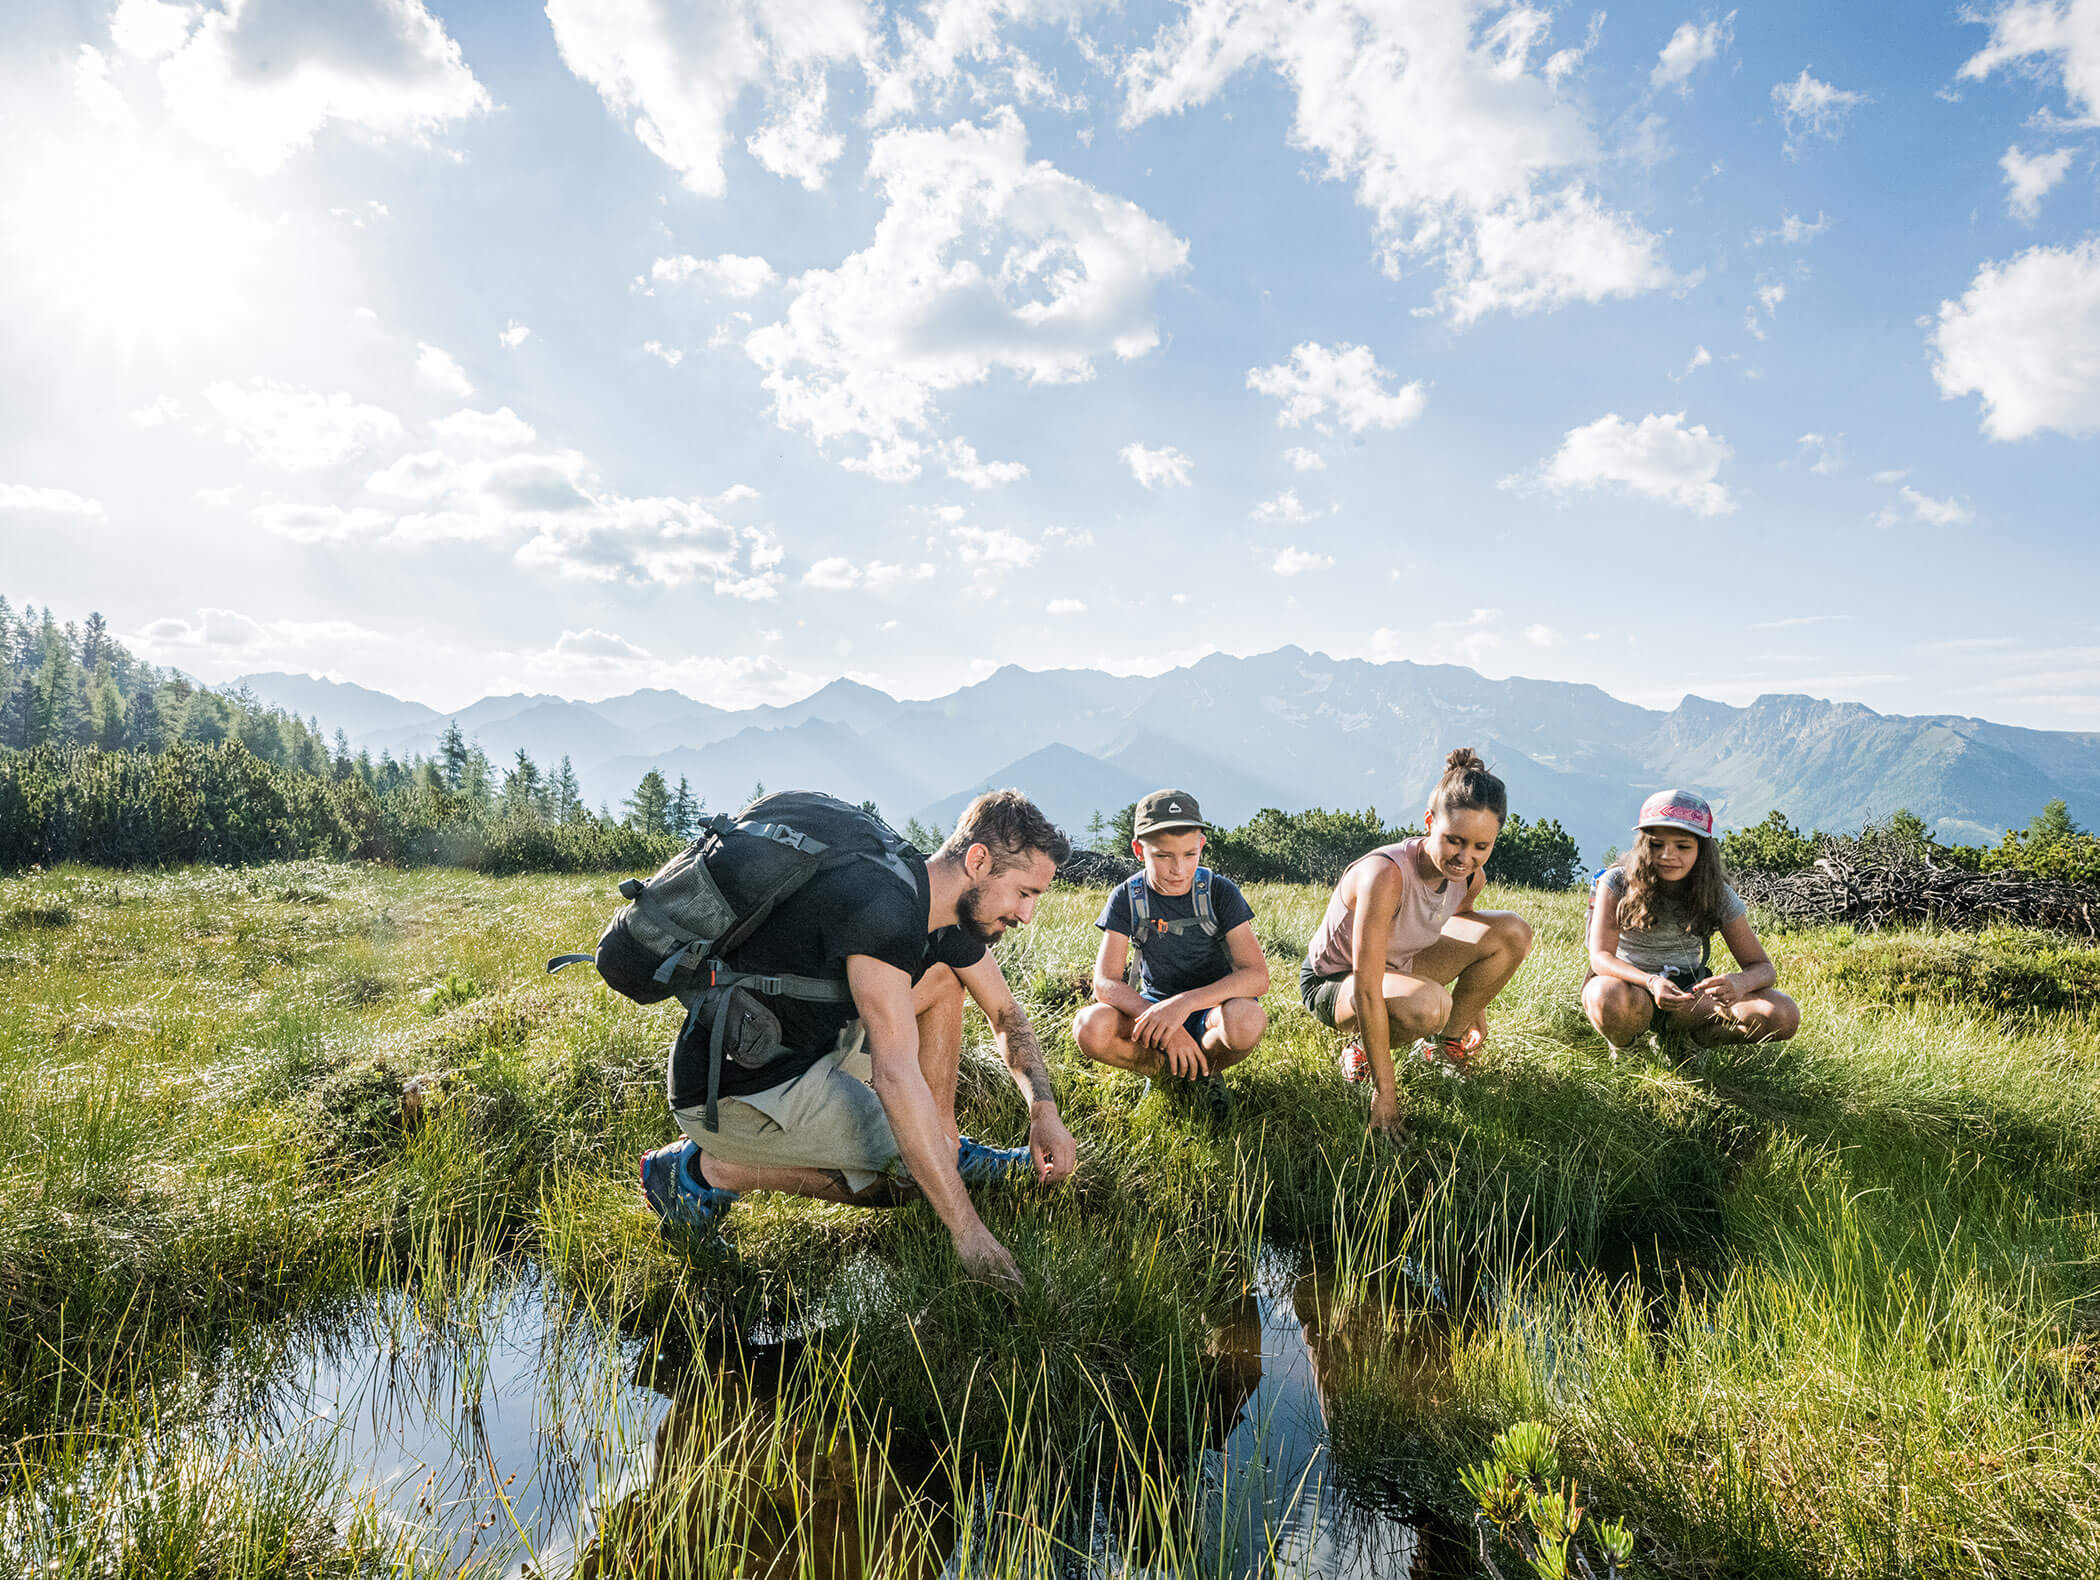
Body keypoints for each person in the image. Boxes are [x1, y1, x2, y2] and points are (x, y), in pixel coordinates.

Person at [638, 790, 1079, 1293]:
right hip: (737, 1089)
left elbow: (1005, 1014)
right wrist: (969, 1233)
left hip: (803, 1043)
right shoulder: (884, 913)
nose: (1027, 914)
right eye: (1025, 893)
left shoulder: (932, 898)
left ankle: (947, 1146)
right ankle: (698, 1171)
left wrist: (1042, 1109)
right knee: (910, 1176)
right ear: (979, 861)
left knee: (944, 978)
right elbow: (895, 1075)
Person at [1297, 749, 1535, 1137]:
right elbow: (1367, 985)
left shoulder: (1471, 877)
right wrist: (1384, 1093)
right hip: (1338, 981)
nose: (1464, 857)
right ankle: (1359, 1051)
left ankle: (1444, 1049)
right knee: (1429, 1006)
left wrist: (1476, 1004)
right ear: (1429, 822)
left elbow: (1456, 922)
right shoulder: (1384, 875)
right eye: (1454, 840)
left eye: (1480, 846)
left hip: (1400, 965)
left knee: (1513, 932)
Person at [1071, 789, 1271, 1108]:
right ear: (1139, 850)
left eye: (1190, 855)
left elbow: (1257, 976)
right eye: (1163, 856)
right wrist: (1164, 1022)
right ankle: (1165, 1075)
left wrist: (1182, 1006)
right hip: (1152, 1009)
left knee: (1248, 1019)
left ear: (1201, 846)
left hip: (1212, 1009)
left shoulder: (1219, 892)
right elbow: (1105, 982)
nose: (1179, 869)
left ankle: (1206, 1073)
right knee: (1089, 1026)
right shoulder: (1127, 897)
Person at [1582, 789, 1799, 1055]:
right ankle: (1627, 1049)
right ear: (1642, 845)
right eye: (1656, 844)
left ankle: (1687, 1043)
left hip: (1688, 998)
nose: (1667, 855)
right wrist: (1651, 982)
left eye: (1683, 846)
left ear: (1701, 850)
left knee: (1783, 1014)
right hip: (1629, 990)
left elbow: (1763, 968)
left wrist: (1739, 983)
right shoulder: (1616, 883)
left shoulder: (1717, 895)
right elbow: (1600, 957)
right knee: (1603, 993)